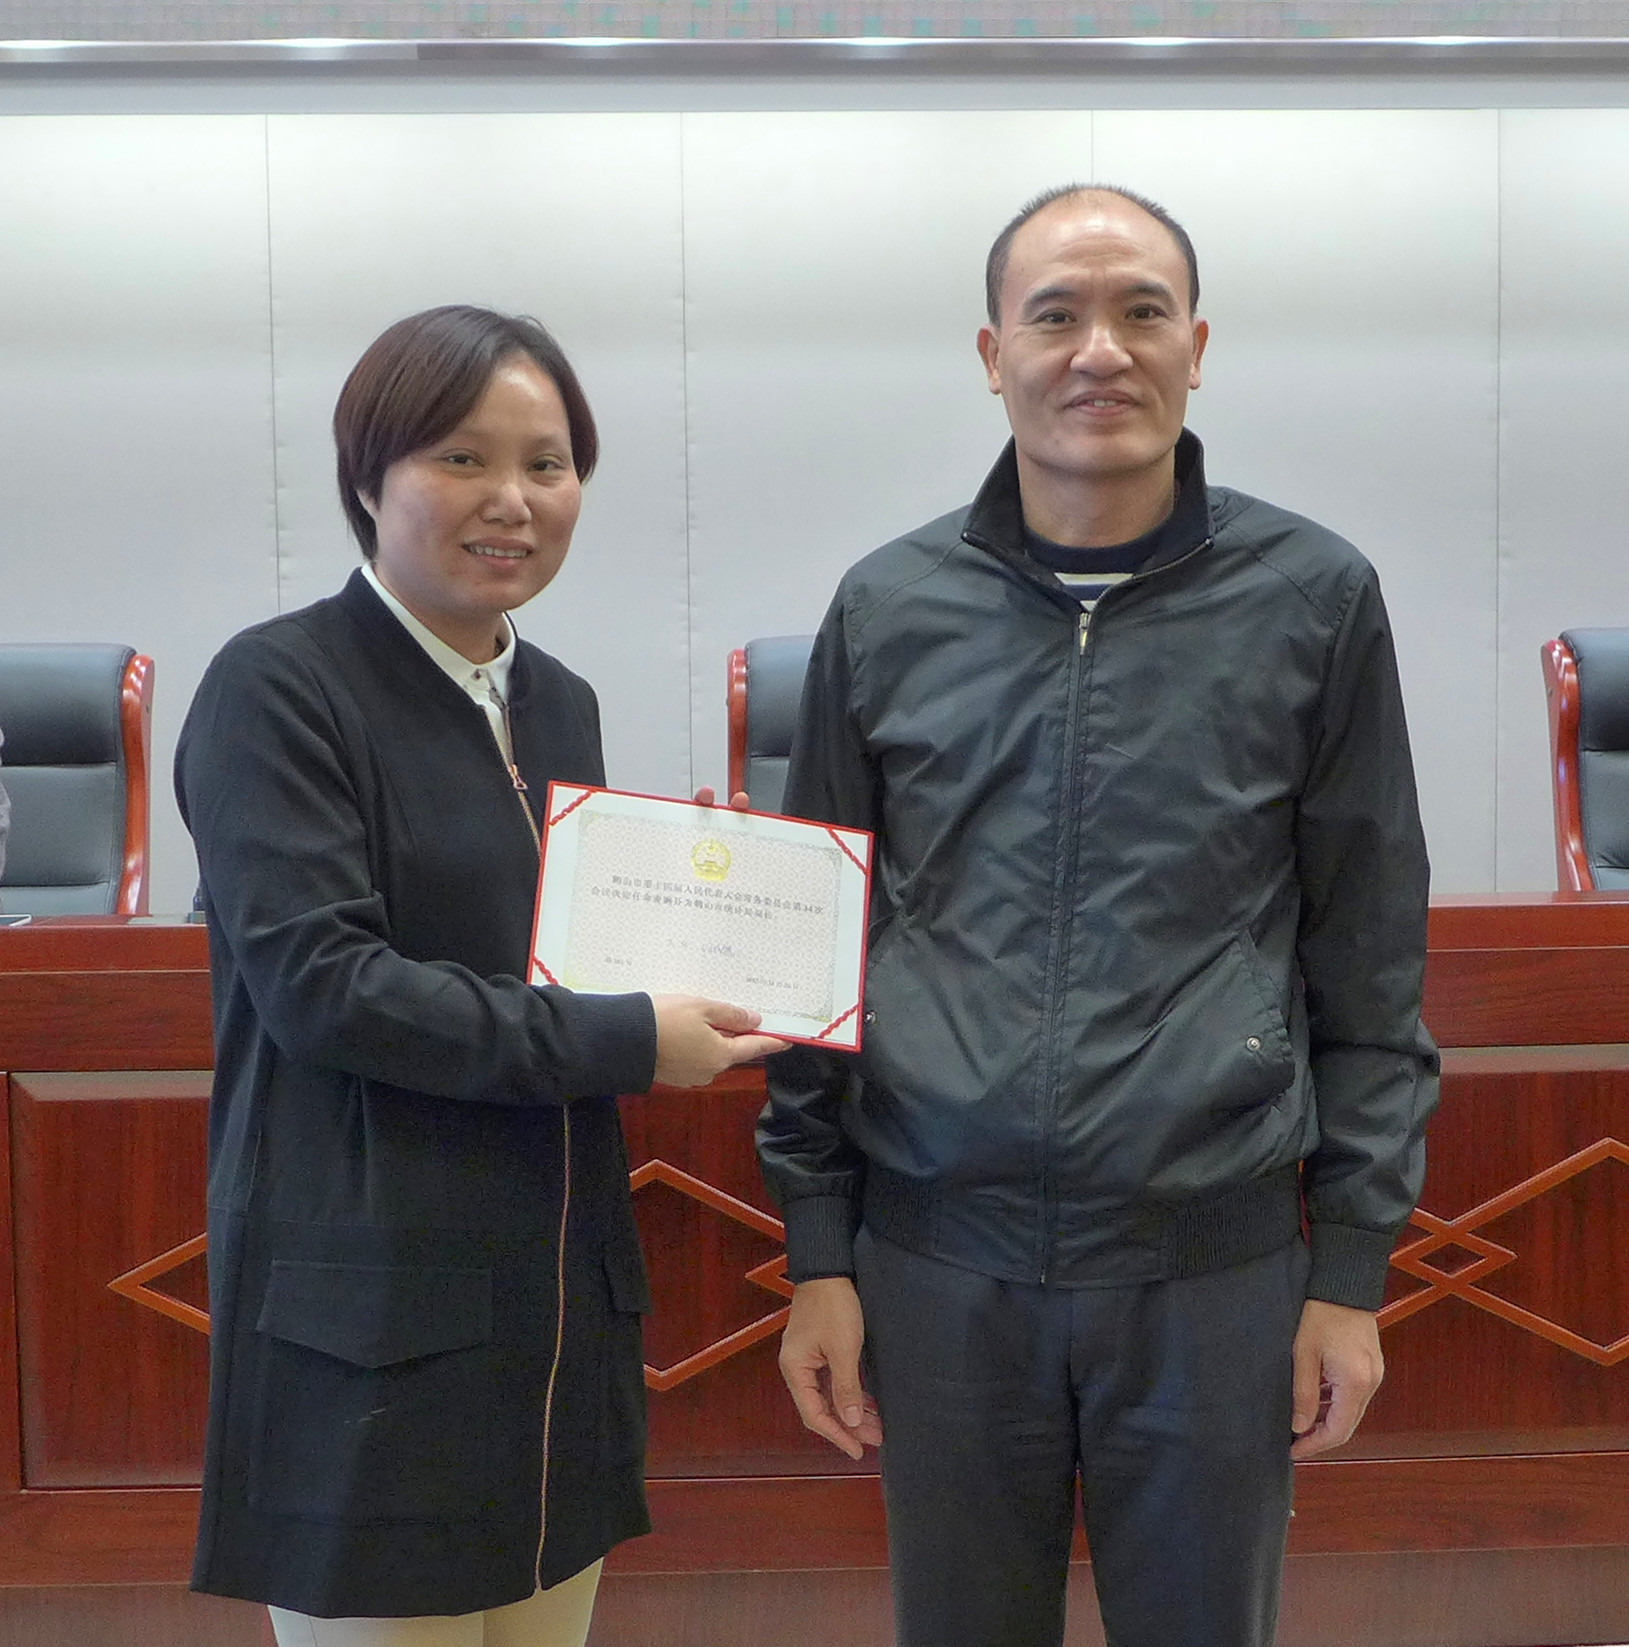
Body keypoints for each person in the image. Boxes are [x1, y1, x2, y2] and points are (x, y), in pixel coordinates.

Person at [757, 185, 1438, 1647]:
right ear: (991, 352)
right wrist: (818, 1249)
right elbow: (817, 945)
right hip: (939, 1259)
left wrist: (1349, 1272)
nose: (1099, 351)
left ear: (1196, 345)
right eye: (1055, 314)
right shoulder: (885, 608)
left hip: (1212, 1266)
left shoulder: (1313, 599)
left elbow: (1370, 953)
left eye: (1141, 312)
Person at [176, 305, 783, 1647]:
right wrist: (629, 1039)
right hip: (373, 1325)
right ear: (369, 476)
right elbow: (327, 989)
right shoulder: (278, 688)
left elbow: (559, 964)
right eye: (462, 458)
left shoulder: (557, 700)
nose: (513, 499)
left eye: (547, 464)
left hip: (553, 1310)